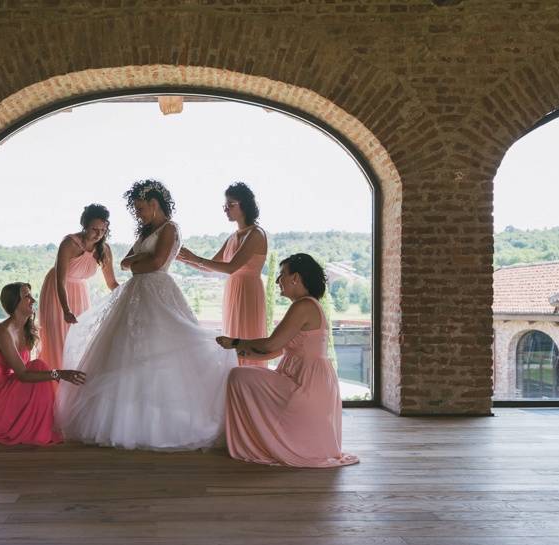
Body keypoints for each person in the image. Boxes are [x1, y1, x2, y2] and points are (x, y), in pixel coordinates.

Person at [56, 180, 237, 451]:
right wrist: (136, 262)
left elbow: (155, 263)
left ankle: (160, 423)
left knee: (160, 353)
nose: (138, 214)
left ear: (154, 205)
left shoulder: (170, 229)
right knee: (123, 353)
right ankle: (125, 422)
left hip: (158, 294)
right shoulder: (147, 231)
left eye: (141, 209)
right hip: (135, 296)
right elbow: (126, 261)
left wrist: (136, 263)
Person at [216, 254, 359, 468]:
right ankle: (259, 439)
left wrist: (235, 342)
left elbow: (271, 345)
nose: (277, 281)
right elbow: (275, 351)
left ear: (296, 278)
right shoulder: (306, 305)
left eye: (282, 275)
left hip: (306, 385)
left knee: (238, 377)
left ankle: (256, 442)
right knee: (241, 374)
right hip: (305, 379)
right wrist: (238, 353)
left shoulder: (304, 306)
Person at [0, 282, 86, 445]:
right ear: (15, 303)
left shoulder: (25, 329)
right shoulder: (5, 332)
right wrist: (59, 374)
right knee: (39, 367)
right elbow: (23, 375)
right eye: (27, 296)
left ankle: (38, 425)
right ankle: (34, 427)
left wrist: (56, 375)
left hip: (8, 383)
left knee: (39, 369)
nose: (33, 300)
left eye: (31, 295)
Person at [178, 182, 267, 367]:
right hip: (233, 291)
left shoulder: (256, 234)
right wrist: (183, 258)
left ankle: (250, 383)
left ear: (245, 205)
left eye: (231, 205)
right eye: (225, 205)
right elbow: (210, 267)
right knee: (231, 339)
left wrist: (196, 257)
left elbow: (230, 267)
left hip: (249, 292)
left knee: (247, 336)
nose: (226, 209)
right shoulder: (232, 237)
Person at [37, 204, 118, 372]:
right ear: (85, 225)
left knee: (79, 341)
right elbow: (60, 280)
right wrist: (66, 310)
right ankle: (54, 388)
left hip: (80, 293)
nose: (98, 234)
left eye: (103, 230)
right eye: (94, 229)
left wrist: (130, 294)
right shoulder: (69, 243)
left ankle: (73, 390)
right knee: (58, 340)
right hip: (57, 292)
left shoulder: (104, 250)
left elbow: (111, 284)